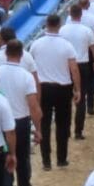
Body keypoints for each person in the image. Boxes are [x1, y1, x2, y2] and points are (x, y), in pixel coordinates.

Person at [0, 40, 42, 186]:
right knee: (22, 159)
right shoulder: (26, 76)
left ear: (6, 54)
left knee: (4, 160)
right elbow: (33, 105)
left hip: (0, 122)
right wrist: (38, 129)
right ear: (21, 55)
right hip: (20, 121)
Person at [29, 14, 82, 170]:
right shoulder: (66, 45)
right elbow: (74, 69)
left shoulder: (36, 45)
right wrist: (77, 88)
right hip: (63, 88)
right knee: (63, 124)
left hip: (43, 87)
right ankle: (61, 158)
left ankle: (46, 161)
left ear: (46, 24)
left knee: (44, 124)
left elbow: (31, 67)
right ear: (59, 25)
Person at [59, 5, 94, 139]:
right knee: (81, 97)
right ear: (81, 15)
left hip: (65, 65)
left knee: (65, 98)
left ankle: (65, 130)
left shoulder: (62, 30)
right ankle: (78, 131)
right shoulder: (86, 30)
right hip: (82, 65)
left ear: (70, 14)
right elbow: (93, 48)